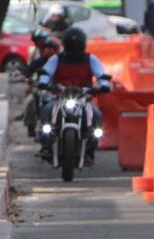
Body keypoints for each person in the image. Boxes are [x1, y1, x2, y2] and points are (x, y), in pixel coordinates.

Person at [37, 26, 110, 162]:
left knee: (97, 116)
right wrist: (43, 82)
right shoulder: (56, 59)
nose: (74, 49)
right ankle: (46, 145)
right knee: (46, 110)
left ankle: (90, 150)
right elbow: (46, 72)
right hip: (60, 97)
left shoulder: (90, 59)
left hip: (83, 99)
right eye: (72, 45)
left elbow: (101, 74)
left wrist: (104, 85)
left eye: (77, 45)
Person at [22, 35, 63, 137]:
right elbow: (28, 71)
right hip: (41, 90)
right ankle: (31, 126)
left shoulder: (61, 62)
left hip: (56, 91)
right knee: (30, 102)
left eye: (51, 48)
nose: (49, 51)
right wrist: (27, 77)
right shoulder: (39, 62)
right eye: (46, 48)